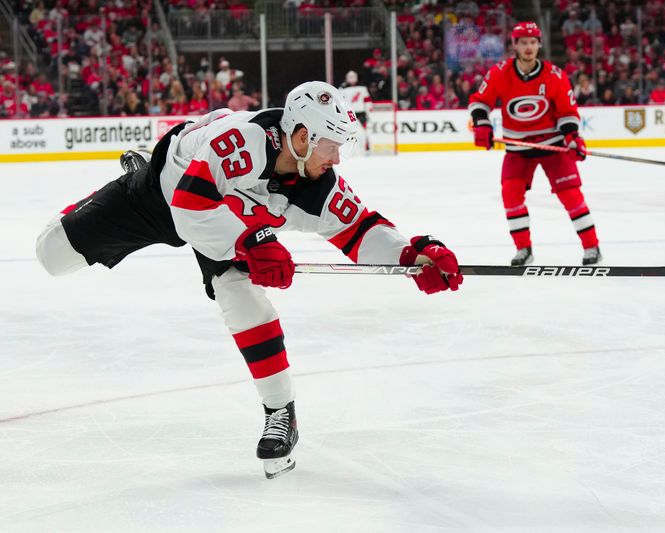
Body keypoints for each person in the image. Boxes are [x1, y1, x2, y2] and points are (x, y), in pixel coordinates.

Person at [35, 81, 463, 479]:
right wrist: (253, 241)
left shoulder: (317, 181)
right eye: (330, 147)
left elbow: (359, 228)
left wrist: (412, 256)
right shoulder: (241, 141)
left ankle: (281, 414)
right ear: (301, 138)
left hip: (229, 221)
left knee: (243, 298)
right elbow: (189, 205)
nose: (336, 159)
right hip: (165, 193)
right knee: (52, 256)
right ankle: (138, 168)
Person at [468, 21, 601, 266]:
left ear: (539, 44)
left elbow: (567, 112)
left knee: (571, 195)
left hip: (552, 145)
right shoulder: (499, 72)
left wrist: (572, 137)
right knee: (510, 195)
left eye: (532, 42)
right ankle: (523, 250)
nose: (528, 47)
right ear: (515, 45)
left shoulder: (554, 75)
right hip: (517, 148)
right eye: (523, 42)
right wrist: (482, 123)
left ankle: (592, 247)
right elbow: (479, 102)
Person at [338, 70, 371, 153]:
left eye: (353, 77)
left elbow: (367, 100)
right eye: (350, 77)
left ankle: (366, 148)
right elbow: (340, 101)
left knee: (364, 132)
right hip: (349, 114)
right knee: (349, 132)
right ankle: (349, 149)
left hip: (361, 113)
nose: (352, 79)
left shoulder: (362, 87)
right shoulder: (342, 89)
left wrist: (369, 110)